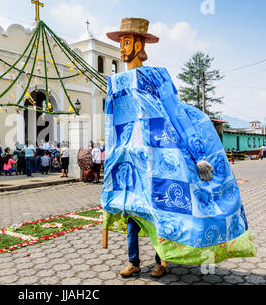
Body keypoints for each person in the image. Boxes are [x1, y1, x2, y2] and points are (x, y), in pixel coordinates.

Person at [102, 17, 254, 280]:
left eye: (127, 42)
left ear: (139, 45)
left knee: (160, 211)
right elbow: (113, 122)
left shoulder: (155, 75)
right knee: (132, 214)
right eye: (121, 43)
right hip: (130, 159)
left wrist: (195, 154)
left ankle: (162, 261)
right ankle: (133, 261)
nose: (123, 49)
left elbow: (173, 111)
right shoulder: (115, 83)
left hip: (159, 158)